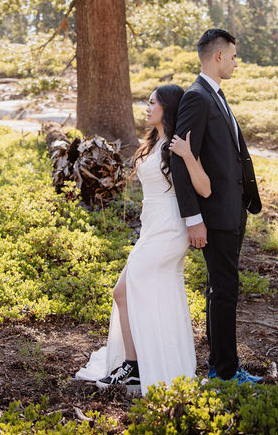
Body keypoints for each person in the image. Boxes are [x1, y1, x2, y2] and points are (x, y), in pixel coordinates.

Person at [75, 84, 211, 393]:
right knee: (127, 293)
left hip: (170, 230)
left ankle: (135, 366)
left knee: (125, 290)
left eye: (152, 103)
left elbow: (204, 188)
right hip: (151, 229)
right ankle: (137, 363)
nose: (147, 108)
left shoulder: (177, 144)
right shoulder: (153, 142)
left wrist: (189, 156)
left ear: (168, 107)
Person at [170, 28, 263, 384]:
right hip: (213, 214)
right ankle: (224, 371)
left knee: (225, 289)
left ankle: (224, 365)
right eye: (235, 56)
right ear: (219, 56)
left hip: (233, 210)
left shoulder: (216, 96)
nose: (237, 63)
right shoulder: (197, 98)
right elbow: (182, 159)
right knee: (223, 291)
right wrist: (194, 219)